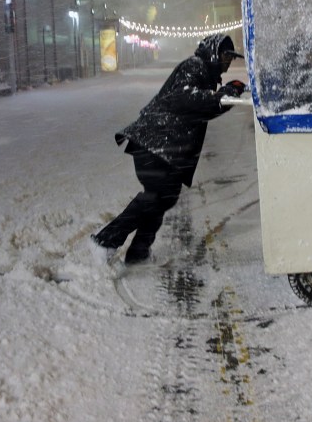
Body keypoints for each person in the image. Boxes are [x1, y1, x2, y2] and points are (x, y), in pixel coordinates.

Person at [88, 33, 245, 265]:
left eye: (231, 58)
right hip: (153, 142)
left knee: (164, 198)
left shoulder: (206, 75)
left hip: (164, 147)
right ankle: (105, 241)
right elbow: (187, 98)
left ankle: (138, 252)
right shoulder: (194, 66)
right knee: (154, 197)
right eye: (225, 56)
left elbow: (206, 108)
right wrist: (222, 95)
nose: (227, 62)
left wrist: (227, 94)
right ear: (213, 52)